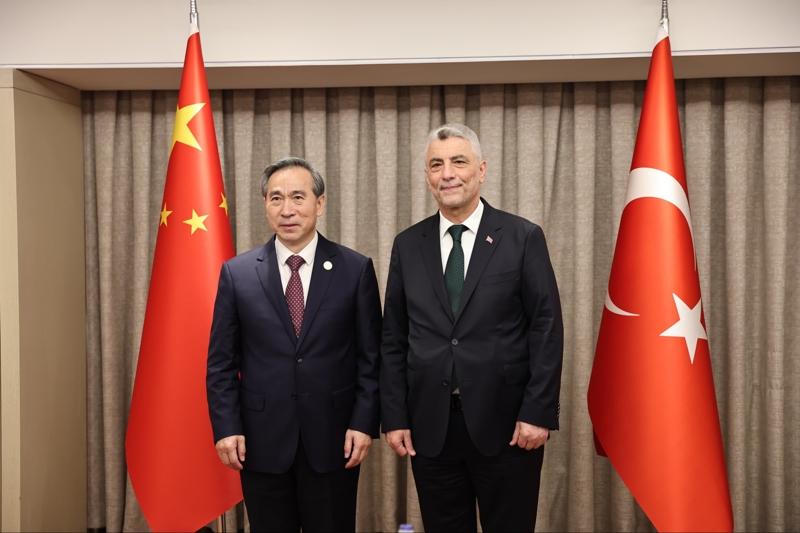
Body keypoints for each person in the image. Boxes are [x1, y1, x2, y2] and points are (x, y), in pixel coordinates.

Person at [380, 123, 563, 532]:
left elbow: (546, 328)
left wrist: (538, 412)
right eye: (436, 165)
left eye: (458, 162)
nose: (447, 174)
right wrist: (394, 415)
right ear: (427, 175)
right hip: (431, 427)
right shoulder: (408, 245)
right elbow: (393, 337)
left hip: (510, 426)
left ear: (481, 170)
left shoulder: (522, 237)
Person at [207, 157, 381, 532]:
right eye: (276, 198)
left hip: (334, 439)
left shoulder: (355, 269)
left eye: (298, 197)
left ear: (320, 203)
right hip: (260, 440)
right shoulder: (237, 274)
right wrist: (226, 427)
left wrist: (364, 423)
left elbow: (371, 358)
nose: (287, 210)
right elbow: (221, 363)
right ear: (265, 205)